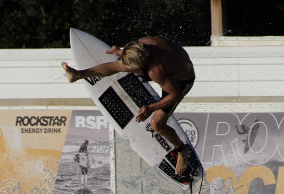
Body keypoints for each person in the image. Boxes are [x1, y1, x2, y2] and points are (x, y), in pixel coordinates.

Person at [62, 37, 196, 177]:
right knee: (119, 66)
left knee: (157, 124)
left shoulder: (155, 70)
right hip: (170, 64)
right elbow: (131, 53)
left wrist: (151, 108)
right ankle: (78, 74)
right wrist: (122, 52)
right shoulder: (142, 43)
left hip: (181, 81)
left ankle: (182, 150)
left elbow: (176, 95)